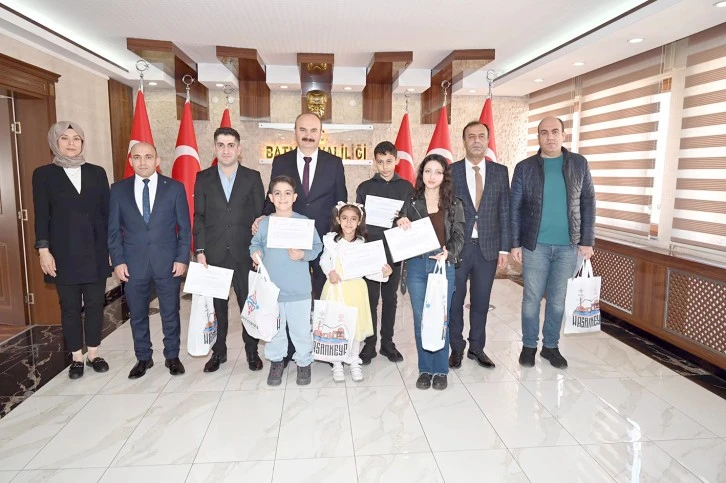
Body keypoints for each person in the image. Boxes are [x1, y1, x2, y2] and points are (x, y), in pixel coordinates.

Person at [255, 112, 347, 366]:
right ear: (295, 132)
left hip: (321, 239)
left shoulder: (334, 163)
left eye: (313, 130)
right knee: (286, 295)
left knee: (321, 291)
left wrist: (340, 238)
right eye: (303, 130)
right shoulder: (281, 161)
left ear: (321, 134)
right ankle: (287, 349)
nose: (308, 135)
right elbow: (273, 195)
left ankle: (320, 344)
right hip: (287, 241)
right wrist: (263, 217)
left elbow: (340, 200)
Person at [510, 116, 595, 369]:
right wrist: (515, 243)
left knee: (558, 301)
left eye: (555, 131)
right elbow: (515, 208)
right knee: (531, 299)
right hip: (534, 246)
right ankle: (528, 346)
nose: (550, 137)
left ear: (563, 135)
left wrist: (587, 240)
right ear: (538, 137)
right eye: (544, 132)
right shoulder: (524, 168)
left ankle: (550, 347)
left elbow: (588, 202)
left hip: (569, 247)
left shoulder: (579, 164)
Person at [32, 121, 111, 379]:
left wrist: (112, 248)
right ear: (55, 142)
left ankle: (94, 353)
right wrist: (44, 250)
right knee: (69, 307)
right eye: (65, 138)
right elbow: (41, 215)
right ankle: (76, 356)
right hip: (62, 254)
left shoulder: (97, 173)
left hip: (96, 251)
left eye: (76, 138)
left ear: (82, 143)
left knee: (95, 304)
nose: (71, 143)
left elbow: (107, 214)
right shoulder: (43, 174)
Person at [108, 142, 191, 379]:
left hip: (168, 262)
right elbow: (113, 231)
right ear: (131, 161)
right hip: (132, 264)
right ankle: (143, 357)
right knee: (137, 314)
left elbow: (185, 228)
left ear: (157, 160)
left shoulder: (174, 188)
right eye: (137, 157)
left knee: (170, 312)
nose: (142, 162)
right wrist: (118, 261)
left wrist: (182, 258)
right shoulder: (118, 190)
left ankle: (172, 356)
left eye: (148, 157)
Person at [193, 127, 265, 373]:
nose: (226, 150)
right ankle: (219, 352)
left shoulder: (252, 177)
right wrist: (200, 250)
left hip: (245, 254)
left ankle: (252, 351)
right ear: (215, 148)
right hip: (214, 254)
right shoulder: (203, 178)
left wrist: (259, 250)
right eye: (221, 145)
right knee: (218, 307)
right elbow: (199, 217)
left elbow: (260, 216)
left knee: (248, 305)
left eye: (231, 145)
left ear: (239, 148)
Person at [397, 154, 464, 390]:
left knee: (440, 318)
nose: (432, 176)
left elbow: (459, 236)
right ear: (421, 174)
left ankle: (441, 370)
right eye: (427, 171)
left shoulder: (454, 203)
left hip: (442, 265)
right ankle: (425, 369)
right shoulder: (412, 201)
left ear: (444, 176)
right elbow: (399, 225)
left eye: (437, 172)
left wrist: (449, 253)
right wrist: (400, 222)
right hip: (416, 265)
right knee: (421, 319)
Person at [449, 122, 511, 370]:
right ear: (464, 141)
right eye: (471, 136)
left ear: (487, 140)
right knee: (455, 302)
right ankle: (456, 348)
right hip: (458, 248)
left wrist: (504, 249)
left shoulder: (500, 172)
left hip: (488, 248)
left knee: (481, 302)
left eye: (481, 136)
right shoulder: (451, 171)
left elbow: (504, 211)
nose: (476, 140)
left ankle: (477, 348)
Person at [250, 175, 322, 386]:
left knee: (301, 330)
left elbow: (316, 247)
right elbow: (255, 244)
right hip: (272, 290)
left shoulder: (303, 223)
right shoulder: (265, 224)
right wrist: (256, 253)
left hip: (299, 289)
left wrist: (303, 254)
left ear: (295, 197)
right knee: (275, 329)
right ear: (271, 197)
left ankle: (304, 361)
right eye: (278, 193)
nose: (283, 197)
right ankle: (276, 361)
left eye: (287, 193)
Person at [319, 202, 392, 382]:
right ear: (338, 220)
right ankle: (337, 363)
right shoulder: (331, 241)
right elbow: (324, 260)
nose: (348, 223)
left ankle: (354, 361)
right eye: (344, 218)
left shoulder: (363, 244)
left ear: (359, 221)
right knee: (336, 327)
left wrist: (384, 274)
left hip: (356, 290)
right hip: (336, 289)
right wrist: (330, 272)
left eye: (353, 219)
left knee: (354, 327)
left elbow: (369, 270)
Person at [355, 141, 413, 365]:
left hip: (394, 251)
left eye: (389, 161)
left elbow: (411, 216)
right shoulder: (365, 187)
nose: (385, 166)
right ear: (375, 162)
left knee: (390, 298)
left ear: (396, 161)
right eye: (380, 162)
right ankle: (369, 344)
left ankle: (387, 343)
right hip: (370, 249)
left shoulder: (407, 187)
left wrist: (404, 219)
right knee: (370, 299)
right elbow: (358, 219)